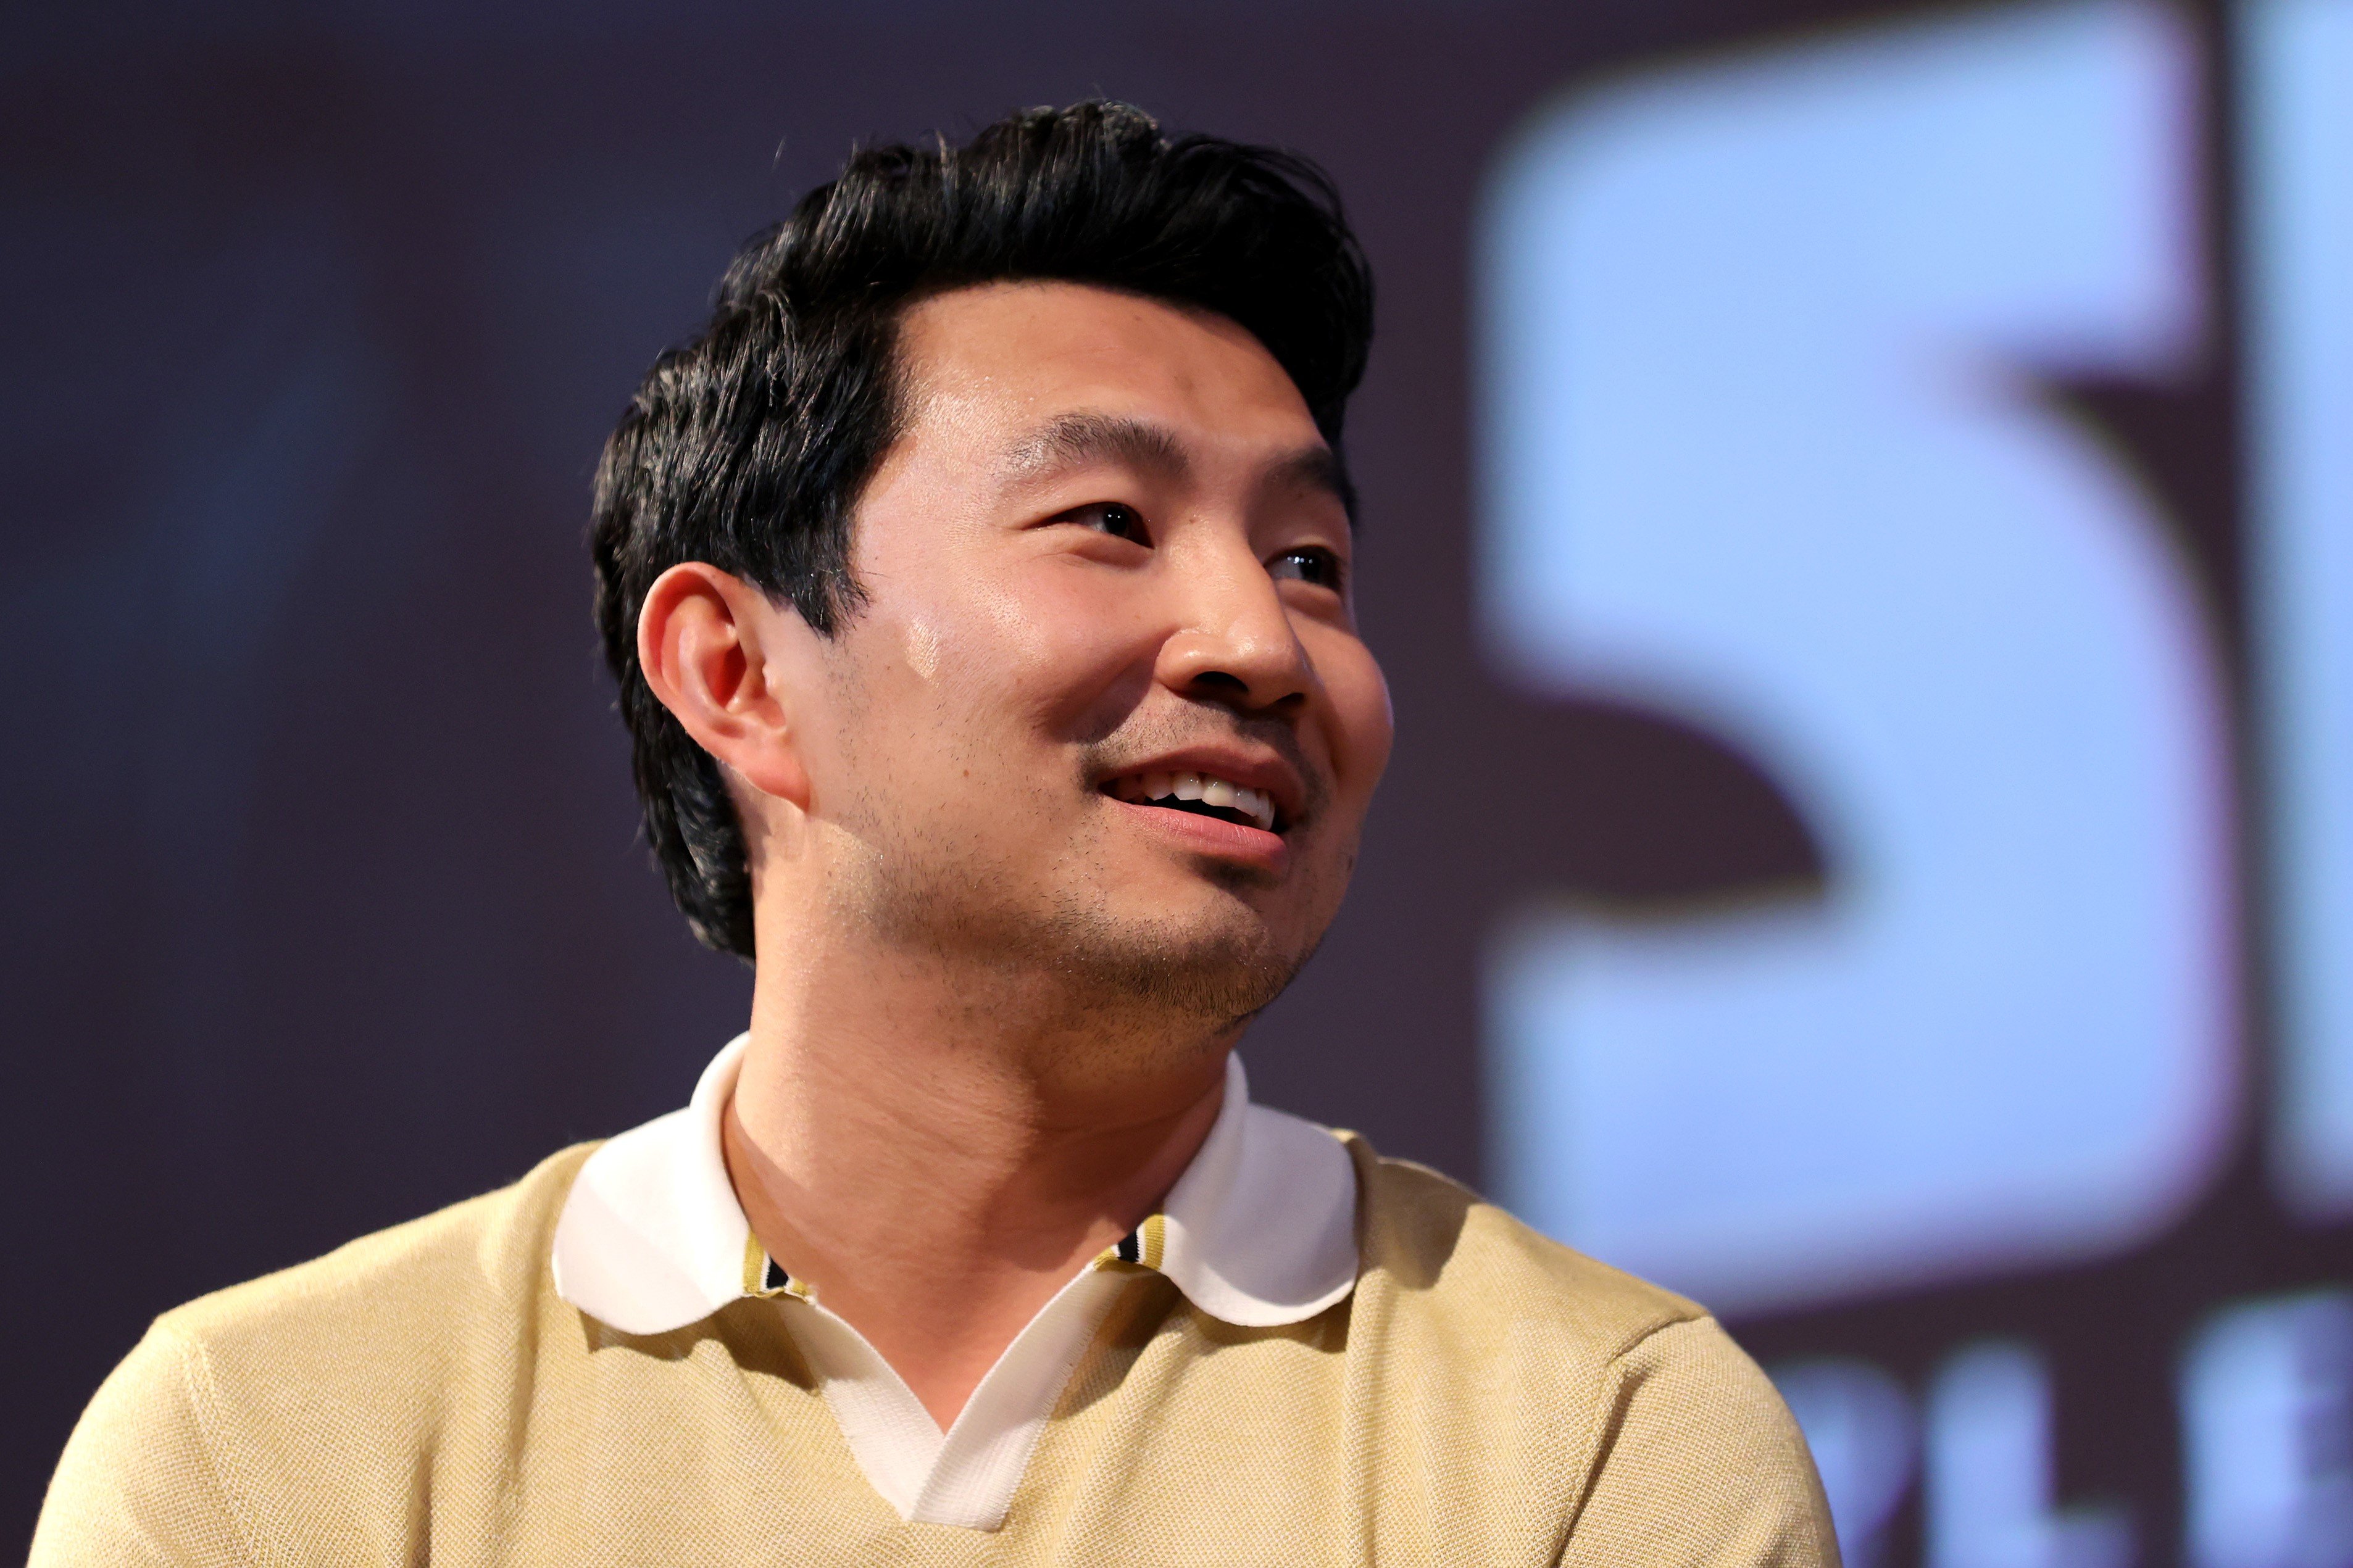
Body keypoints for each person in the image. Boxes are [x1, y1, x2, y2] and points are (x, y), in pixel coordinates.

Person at [32, 101, 1836, 1565]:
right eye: (1108, 522)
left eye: (1311, 563)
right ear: (734, 671)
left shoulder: (1594, 1434)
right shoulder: (275, 1458)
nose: (1260, 643)